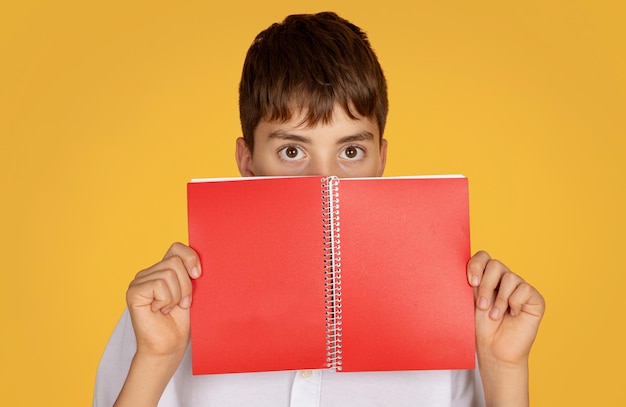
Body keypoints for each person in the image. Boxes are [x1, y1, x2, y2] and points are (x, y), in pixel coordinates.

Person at [94, 11, 545, 407]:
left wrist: (505, 370)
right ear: (247, 162)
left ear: (381, 161)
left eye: (350, 153)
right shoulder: (167, 310)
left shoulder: (453, 310)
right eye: (292, 152)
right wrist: (156, 360)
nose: (323, 180)